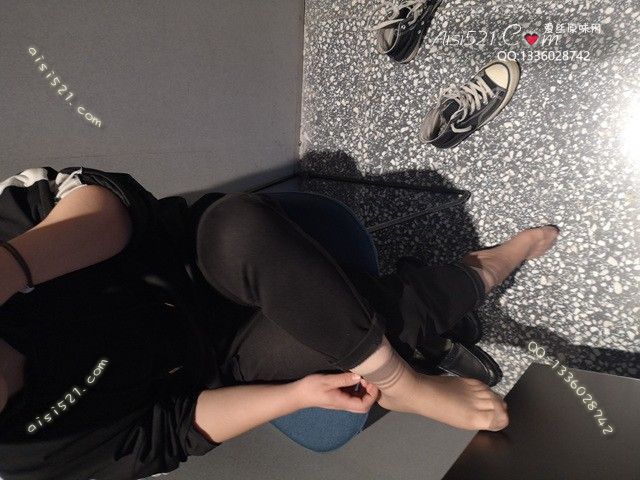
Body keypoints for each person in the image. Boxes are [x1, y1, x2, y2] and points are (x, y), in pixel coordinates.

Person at [0, 166, 559, 480]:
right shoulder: (27, 465)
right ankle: (476, 276)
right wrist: (293, 397)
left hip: (202, 256)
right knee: (366, 326)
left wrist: (12, 267)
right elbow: (170, 433)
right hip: (222, 358)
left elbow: (109, 201)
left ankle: (406, 378)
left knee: (238, 230)